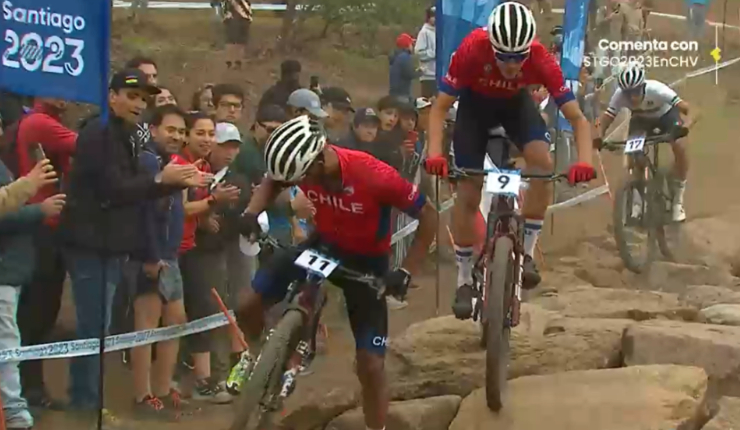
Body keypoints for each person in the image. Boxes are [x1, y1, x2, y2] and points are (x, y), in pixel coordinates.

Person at [237, 115, 437, 430]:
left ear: (320, 158)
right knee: (247, 304)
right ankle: (259, 357)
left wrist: (405, 271)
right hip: (323, 244)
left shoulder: (374, 175)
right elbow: (273, 180)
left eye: (303, 177)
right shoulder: (302, 165)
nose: (301, 184)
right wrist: (251, 213)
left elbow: (428, 214)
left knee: (371, 366)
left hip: (366, 262)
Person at [423, 2, 596, 320]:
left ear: (529, 50)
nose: (512, 64)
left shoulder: (541, 58)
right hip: (473, 111)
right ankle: (463, 279)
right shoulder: (472, 48)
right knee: (468, 192)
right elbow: (439, 108)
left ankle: (527, 253)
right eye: (503, 56)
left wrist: (584, 161)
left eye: (519, 57)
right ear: (492, 46)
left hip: (516, 108)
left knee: (542, 164)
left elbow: (578, 119)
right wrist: (435, 153)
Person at [57, 69, 207, 425]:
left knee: (102, 326)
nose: (139, 103)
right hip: (90, 243)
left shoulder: (127, 135)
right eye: (132, 95)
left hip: (113, 245)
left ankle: (89, 401)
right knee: (94, 327)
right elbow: (113, 190)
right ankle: (86, 405)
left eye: (143, 98)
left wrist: (165, 182)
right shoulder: (99, 133)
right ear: (112, 96)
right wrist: (161, 180)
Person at [129, 105, 196, 419]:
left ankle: (163, 387)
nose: (177, 136)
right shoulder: (147, 161)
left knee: (175, 321)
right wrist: (151, 256)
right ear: (153, 129)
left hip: (170, 256)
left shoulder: (170, 163)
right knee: (146, 325)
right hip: (150, 255)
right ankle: (142, 396)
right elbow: (143, 212)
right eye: (171, 129)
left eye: (182, 131)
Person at [12, 97, 77, 408]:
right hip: (38, 225)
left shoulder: (50, 122)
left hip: (49, 225)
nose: (66, 96)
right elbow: (89, 146)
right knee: (35, 313)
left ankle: (32, 388)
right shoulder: (39, 122)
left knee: (43, 312)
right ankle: (27, 391)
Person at [175, 112, 240, 404]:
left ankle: (202, 380)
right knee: (182, 313)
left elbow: (194, 206)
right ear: (186, 135)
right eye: (200, 133)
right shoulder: (179, 164)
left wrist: (205, 212)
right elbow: (179, 209)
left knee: (201, 310)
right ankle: (186, 381)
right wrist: (212, 202)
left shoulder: (201, 166)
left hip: (191, 247)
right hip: (169, 249)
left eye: (210, 134)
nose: (207, 139)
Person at [0, 157, 65, 430]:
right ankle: (14, 410)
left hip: (12, 272)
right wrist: (39, 207)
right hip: (4, 272)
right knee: (7, 343)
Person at [595, 63, 697, 222]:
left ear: (643, 85)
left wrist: (685, 127)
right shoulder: (619, 95)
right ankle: (637, 197)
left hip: (666, 116)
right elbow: (606, 119)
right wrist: (599, 137)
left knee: (680, 146)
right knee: (634, 155)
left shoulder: (657, 89)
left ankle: (678, 200)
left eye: (635, 91)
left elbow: (690, 109)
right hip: (641, 120)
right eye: (628, 93)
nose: (632, 97)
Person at [222, 0, 253, 70]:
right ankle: (236, 61)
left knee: (232, 41)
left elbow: (226, 11)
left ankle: (230, 60)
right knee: (239, 42)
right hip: (242, 20)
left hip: (234, 20)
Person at [389, 33, 419, 100]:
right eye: (411, 44)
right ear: (407, 45)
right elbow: (410, 74)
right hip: (402, 95)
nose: (412, 46)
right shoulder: (404, 57)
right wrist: (421, 72)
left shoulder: (397, 56)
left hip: (395, 93)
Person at [415, 6, 437, 98]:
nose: (435, 18)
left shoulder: (440, 32)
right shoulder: (424, 32)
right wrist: (434, 53)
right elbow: (419, 53)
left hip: (439, 76)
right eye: (433, 16)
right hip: (428, 76)